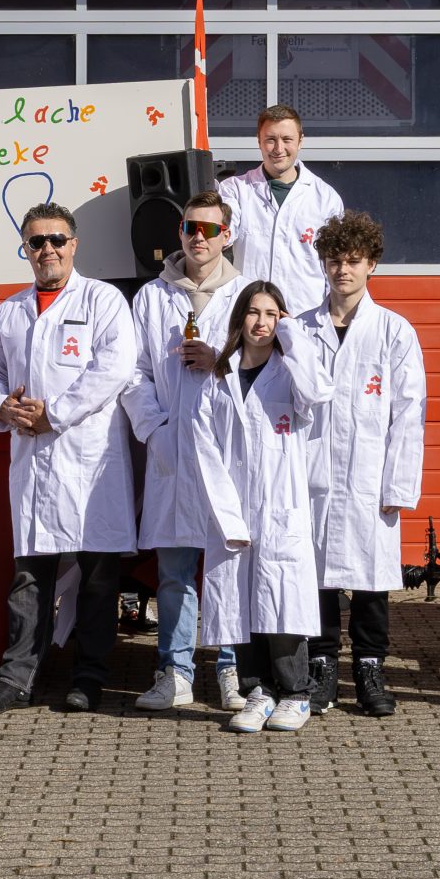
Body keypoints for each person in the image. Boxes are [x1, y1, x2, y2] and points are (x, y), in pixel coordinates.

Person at [0, 203, 140, 716]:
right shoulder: (11, 311)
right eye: (37, 241)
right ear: (25, 248)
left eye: (57, 240)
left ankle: (89, 678)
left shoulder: (103, 300)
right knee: (29, 577)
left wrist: (55, 414)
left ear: (74, 245)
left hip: (90, 460)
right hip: (32, 459)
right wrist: (0, 406)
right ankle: (15, 679)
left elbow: (114, 367)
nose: (48, 249)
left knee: (97, 578)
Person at [121, 189, 247, 714]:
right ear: (179, 233)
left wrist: (221, 362)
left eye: (210, 229)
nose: (199, 237)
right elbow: (133, 372)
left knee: (227, 568)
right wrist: (155, 429)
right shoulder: (153, 297)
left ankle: (231, 670)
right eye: (191, 227)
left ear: (227, 236)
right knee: (174, 572)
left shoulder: (246, 295)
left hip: (226, 452)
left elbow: (264, 370)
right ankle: (174, 672)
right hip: (172, 449)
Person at [300, 211, 427, 719]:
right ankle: (322, 667)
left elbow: (409, 412)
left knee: (372, 580)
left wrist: (399, 483)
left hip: (370, 476)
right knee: (317, 578)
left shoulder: (394, 331)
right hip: (312, 475)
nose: (343, 270)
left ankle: (371, 670)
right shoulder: (300, 329)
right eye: (335, 260)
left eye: (353, 261)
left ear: (371, 264)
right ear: (323, 263)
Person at [195, 282, 331, 734]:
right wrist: (228, 517)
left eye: (273, 314)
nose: (262, 322)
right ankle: (259, 691)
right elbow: (205, 452)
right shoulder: (218, 379)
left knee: (283, 603)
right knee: (241, 605)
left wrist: (293, 336)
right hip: (234, 510)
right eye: (254, 312)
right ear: (240, 318)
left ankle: (296, 693)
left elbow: (319, 391)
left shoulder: (291, 374)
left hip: (280, 508)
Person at [217, 105, 344, 316]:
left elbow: (337, 263)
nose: (278, 148)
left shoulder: (326, 198)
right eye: (270, 139)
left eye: (287, 139)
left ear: (300, 141)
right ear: (259, 141)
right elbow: (223, 233)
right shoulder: (235, 190)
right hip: (250, 316)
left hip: (305, 316)